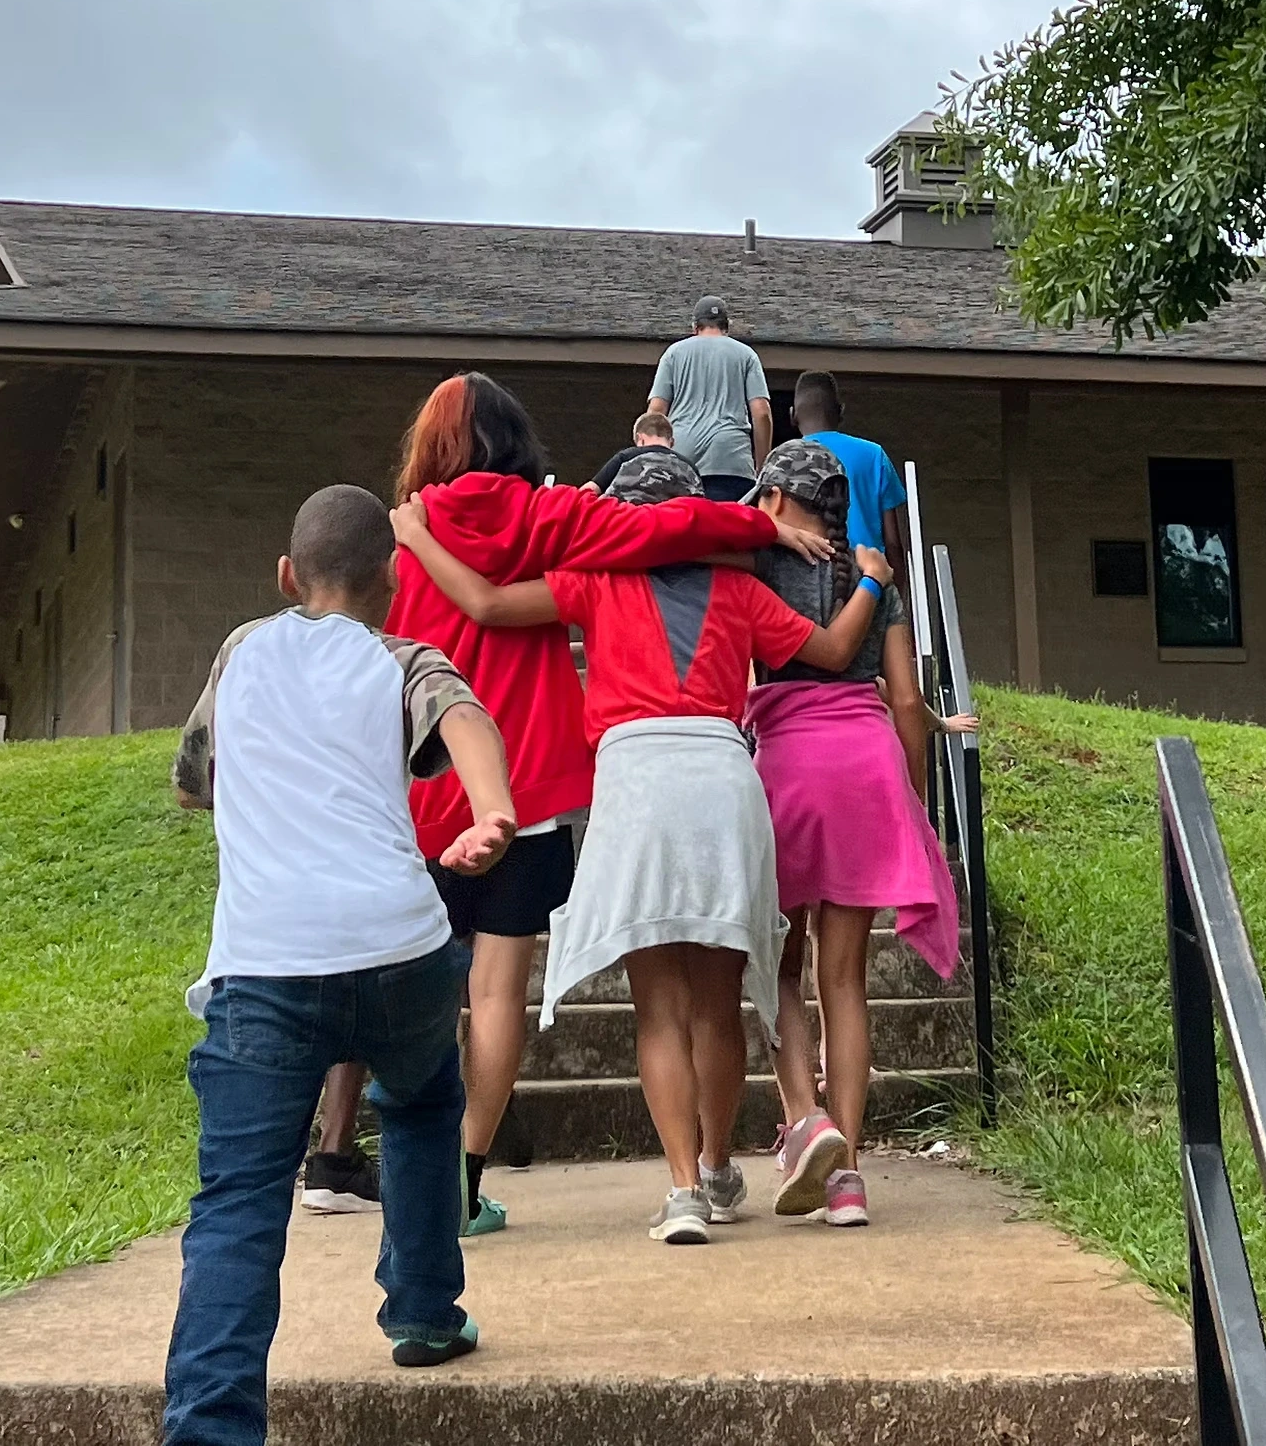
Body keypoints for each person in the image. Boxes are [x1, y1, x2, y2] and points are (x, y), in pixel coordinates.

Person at [360, 371, 832, 1238]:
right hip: (530, 785)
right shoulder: (558, 523)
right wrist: (761, 523)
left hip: (424, 787)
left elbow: (480, 604)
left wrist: (416, 538)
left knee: (420, 990)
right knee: (512, 993)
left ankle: (400, 1168)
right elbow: (698, 543)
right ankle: (477, 1177)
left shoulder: (416, 539)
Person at [164, 486, 517, 1446]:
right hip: (399, 948)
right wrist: (490, 813)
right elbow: (465, 719)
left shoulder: (241, 651)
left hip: (266, 966)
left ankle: (209, 1427)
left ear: (286, 577)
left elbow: (196, 783)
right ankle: (422, 1311)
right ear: (394, 584)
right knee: (418, 1104)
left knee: (239, 1198)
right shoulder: (404, 656)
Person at [740, 441, 960, 1227]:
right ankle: (848, 1179)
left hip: (788, 770)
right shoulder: (878, 579)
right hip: (865, 765)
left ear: (772, 498)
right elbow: (906, 700)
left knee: (779, 967)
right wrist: (905, 793)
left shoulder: (756, 566)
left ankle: (806, 1120)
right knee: (846, 980)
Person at [791, 369, 910, 599]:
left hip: (809, 585)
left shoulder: (786, 460)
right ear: (841, 412)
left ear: (792, 416)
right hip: (869, 581)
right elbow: (893, 542)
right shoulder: (874, 455)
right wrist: (897, 597)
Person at [648, 296, 772, 501]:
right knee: (729, 530)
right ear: (727, 327)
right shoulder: (746, 355)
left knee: (685, 529)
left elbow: (656, 411)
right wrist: (762, 466)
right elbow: (762, 413)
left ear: (695, 327)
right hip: (731, 460)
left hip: (682, 457)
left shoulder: (673, 353)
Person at [582, 410, 675, 494]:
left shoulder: (627, 456)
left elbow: (592, 488)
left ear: (640, 438)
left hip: (628, 511)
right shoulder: (687, 465)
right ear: (671, 442)